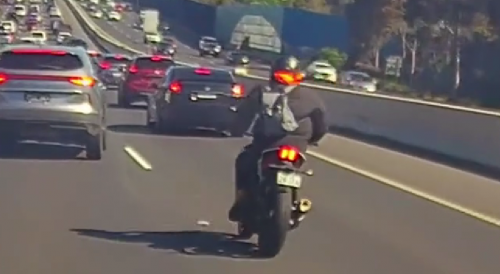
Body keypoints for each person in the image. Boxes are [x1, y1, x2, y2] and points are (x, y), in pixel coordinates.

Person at [228, 55, 328, 232]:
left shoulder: (262, 92)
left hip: (266, 143)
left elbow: (244, 115)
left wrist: (236, 130)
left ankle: (242, 200)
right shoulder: (311, 97)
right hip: (297, 146)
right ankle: (298, 205)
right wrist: (312, 140)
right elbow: (321, 126)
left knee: (244, 161)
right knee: (295, 168)